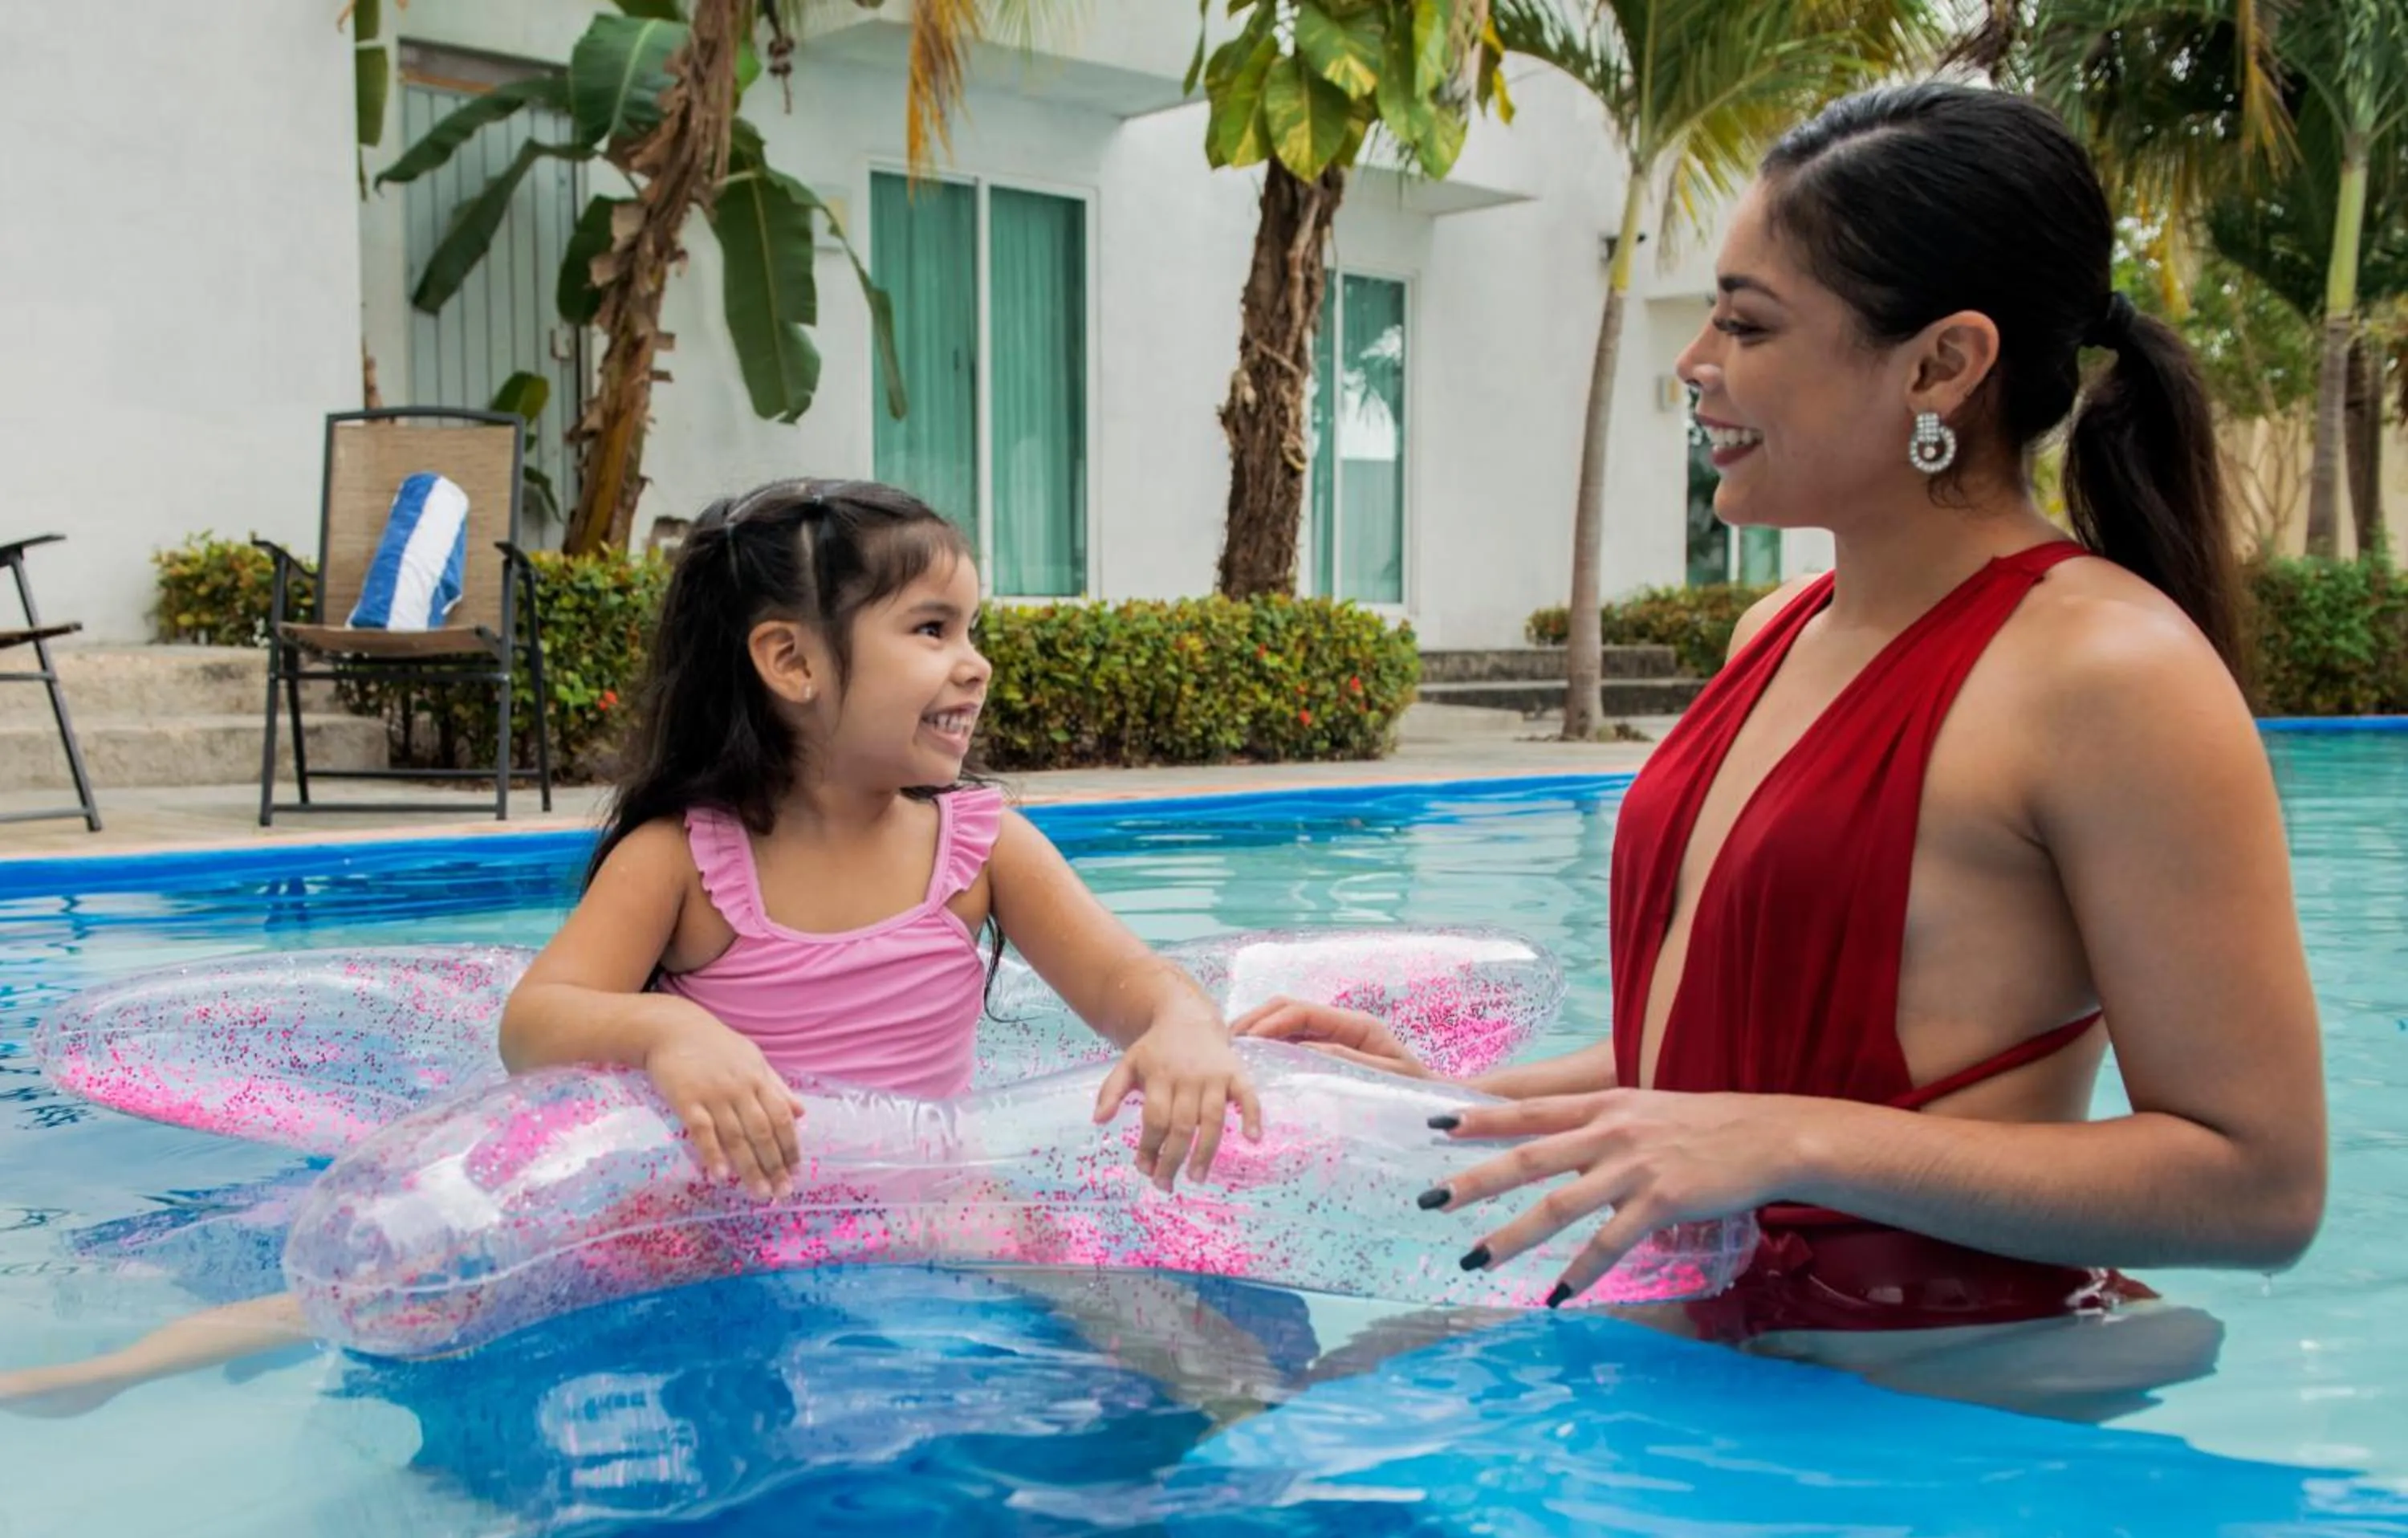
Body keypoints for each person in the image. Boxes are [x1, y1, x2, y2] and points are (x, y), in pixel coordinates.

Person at [1239, 83, 2327, 1414]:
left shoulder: (2113, 674)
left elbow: (2263, 1186)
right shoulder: (1779, 628)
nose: (1696, 361)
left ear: (1943, 366)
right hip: (1695, 1346)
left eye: (1749, 324)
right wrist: (1456, 1104)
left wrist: (1789, 1141)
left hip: (1929, 1407)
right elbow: (1729, 1066)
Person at [4, 478, 1269, 1414]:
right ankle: (118, 1368)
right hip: (711, 1209)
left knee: (1177, 1336)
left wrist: (1184, 1025)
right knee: (426, 1288)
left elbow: (1127, 981)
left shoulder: (983, 846)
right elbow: (537, 1018)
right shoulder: (687, 855)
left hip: (930, 1199)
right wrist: (672, 1025)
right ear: (789, 660)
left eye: (971, 628)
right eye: (932, 629)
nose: (976, 663)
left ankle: (1259, 1449)